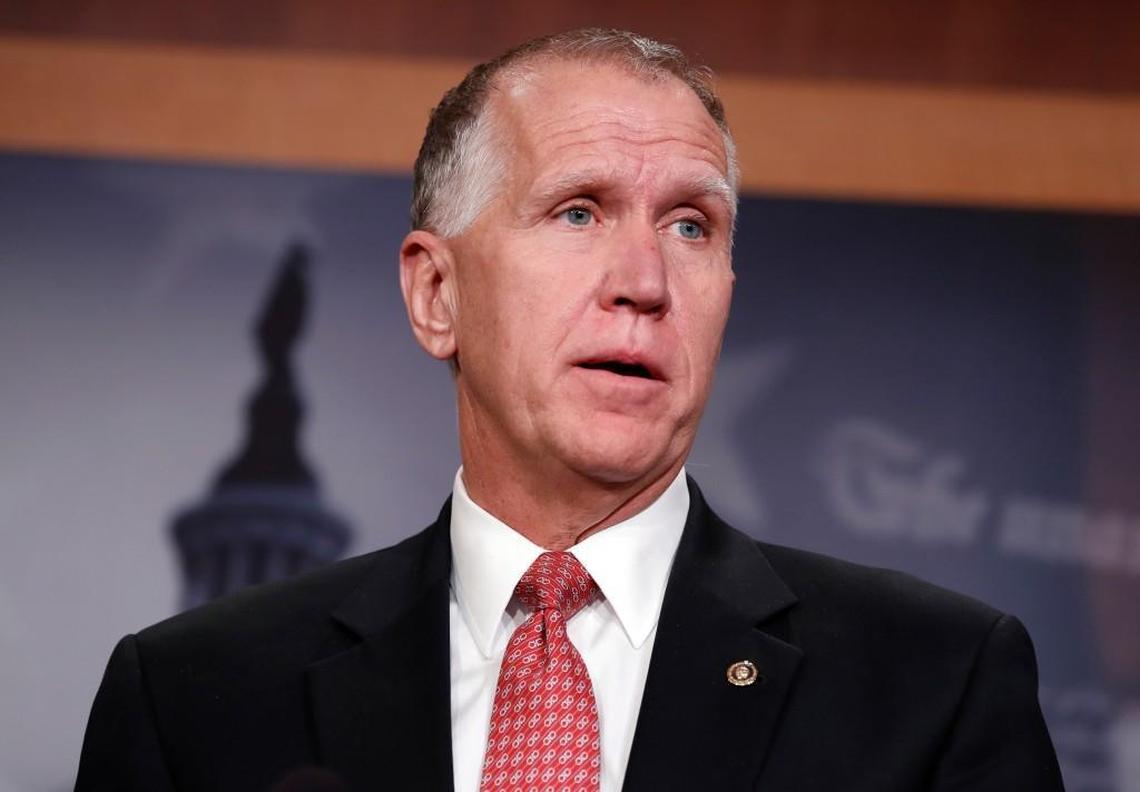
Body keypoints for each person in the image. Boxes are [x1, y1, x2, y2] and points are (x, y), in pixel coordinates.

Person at [76, 29, 1064, 792]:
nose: (643, 280)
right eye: (579, 210)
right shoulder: (194, 703)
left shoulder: (936, 688)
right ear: (436, 295)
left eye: (691, 224)